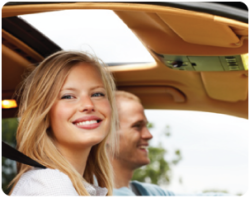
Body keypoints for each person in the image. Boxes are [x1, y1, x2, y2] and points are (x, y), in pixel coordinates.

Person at [9, 51, 119, 197]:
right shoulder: (51, 186)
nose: (88, 105)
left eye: (97, 94)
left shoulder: (70, 184)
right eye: (68, 96)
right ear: (45, 115)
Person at [112, 91, 233, 197]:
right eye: (137, 126)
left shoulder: (145, 192)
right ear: (106, 135)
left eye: (146, 126)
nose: (148, 135)